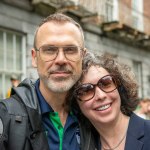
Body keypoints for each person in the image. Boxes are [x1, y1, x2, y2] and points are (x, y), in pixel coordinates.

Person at [0, 13, 98, 150]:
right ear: (34, 58)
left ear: (82, 56)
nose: (61, 59)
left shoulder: (95, 116)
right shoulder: (5, 116)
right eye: (50, 50)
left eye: (70, 50)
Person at [73, 53, 150, 150]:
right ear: (76, 103)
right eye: (86, 90)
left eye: (106, 83)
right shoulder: (80, 145)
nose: (100, 96)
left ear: (119, 87)